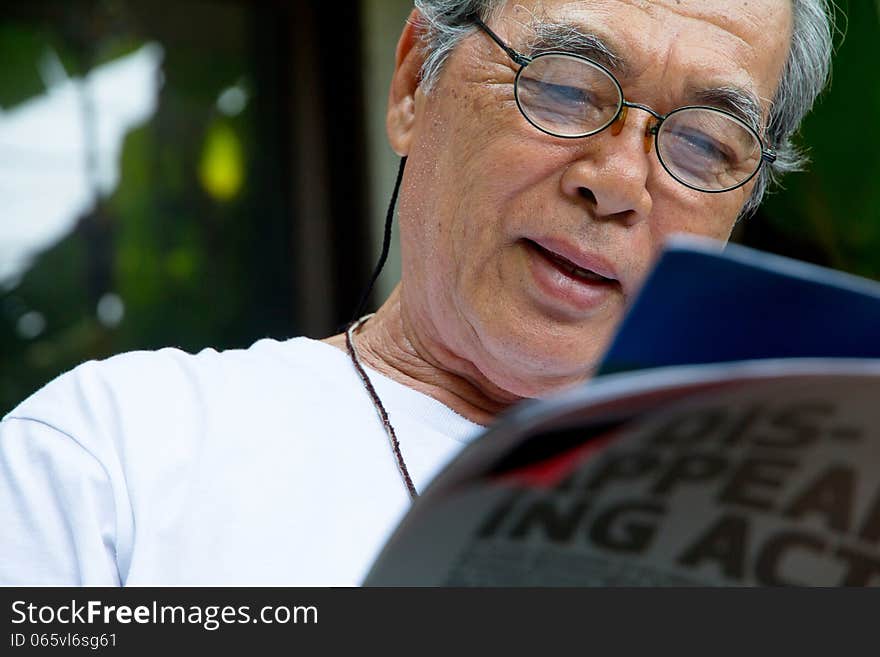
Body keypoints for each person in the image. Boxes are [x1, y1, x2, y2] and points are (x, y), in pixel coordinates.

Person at [0, 0, 833, 585]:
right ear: (410, 86)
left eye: (704, 142)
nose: (617, 182)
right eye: (569, 87)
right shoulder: (109, 458)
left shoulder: (801, 535)